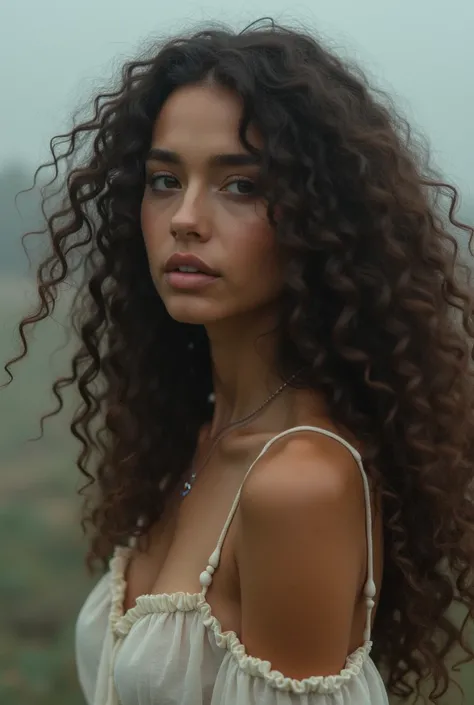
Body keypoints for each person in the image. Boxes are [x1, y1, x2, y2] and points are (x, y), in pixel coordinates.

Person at [6, 16, 474, 705]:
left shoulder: (300, 483)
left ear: (322, 217)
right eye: (164, 179)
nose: (185, 217)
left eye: (241, 186)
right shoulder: (191, 438)